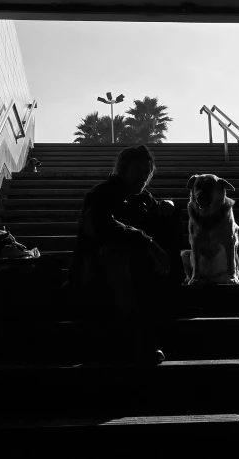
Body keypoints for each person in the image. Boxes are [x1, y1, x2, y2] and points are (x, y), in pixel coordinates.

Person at [68, 144, 186, 367]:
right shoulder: (101, 193)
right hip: (98, 275)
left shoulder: (143, 199)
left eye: (147, 173)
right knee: (114, 253)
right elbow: (101, 226)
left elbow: (161, 217)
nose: (143, 178)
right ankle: (137, 337)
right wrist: (145, 241)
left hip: (135, 274)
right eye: (138, 171)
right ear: (123, 169)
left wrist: (171, 206)